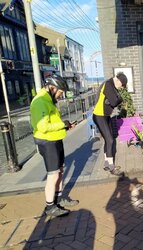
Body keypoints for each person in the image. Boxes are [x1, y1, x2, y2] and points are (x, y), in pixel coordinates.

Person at [30, 74, 79, 217]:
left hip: (55, 139)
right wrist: (62, 124)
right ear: (52, 87)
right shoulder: (40, 101)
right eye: (60, 92)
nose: (60, 96)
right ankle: (50, 207)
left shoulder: (48, 100)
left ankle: (59, 198)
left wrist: (64, 126)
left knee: (60, 171)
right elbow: (43, 126)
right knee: (53, 175)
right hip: (47, 142)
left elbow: (52, 122)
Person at [92, 72, 127, 177]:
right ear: (118, 80)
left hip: (105, 116)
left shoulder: (111, 85)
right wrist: (118, 99)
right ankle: (112, 167)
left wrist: (115, 99)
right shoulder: (108, 84)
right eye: (121, 85)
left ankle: (107, 163)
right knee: (110, 140)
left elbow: (112, 101)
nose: (121, 87)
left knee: (109, 139)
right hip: (99, 116)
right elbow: (114, 101)